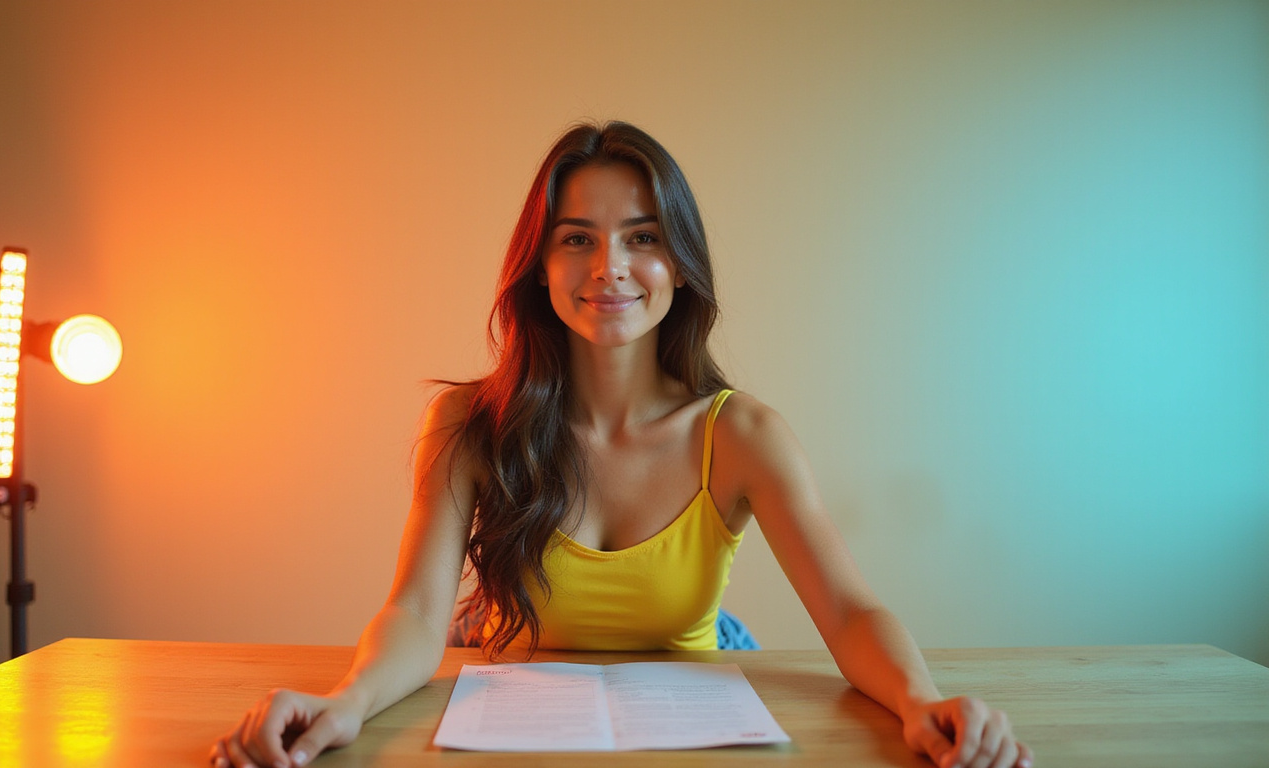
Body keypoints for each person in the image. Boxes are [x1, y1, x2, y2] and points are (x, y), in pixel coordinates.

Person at [211, 121, 1033, 768]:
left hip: (690, 726)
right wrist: (346, 703)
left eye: (642, 237)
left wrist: (923, 701)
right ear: (538, 264)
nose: (610, 267)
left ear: (679, 262)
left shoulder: (742, 433)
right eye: (577, 238)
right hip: (507, 717)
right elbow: (419, 614)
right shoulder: (468, 424)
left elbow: (851, 613)